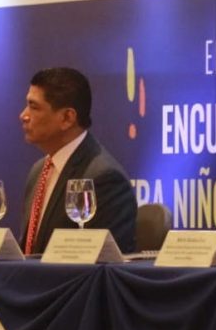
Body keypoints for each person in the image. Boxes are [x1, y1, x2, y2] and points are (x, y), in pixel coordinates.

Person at [19, 67, 136, 254]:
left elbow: (99, 262)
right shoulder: (38, 171)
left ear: (67, 118)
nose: (24, 115)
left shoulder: (104, 178)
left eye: (34, 107)